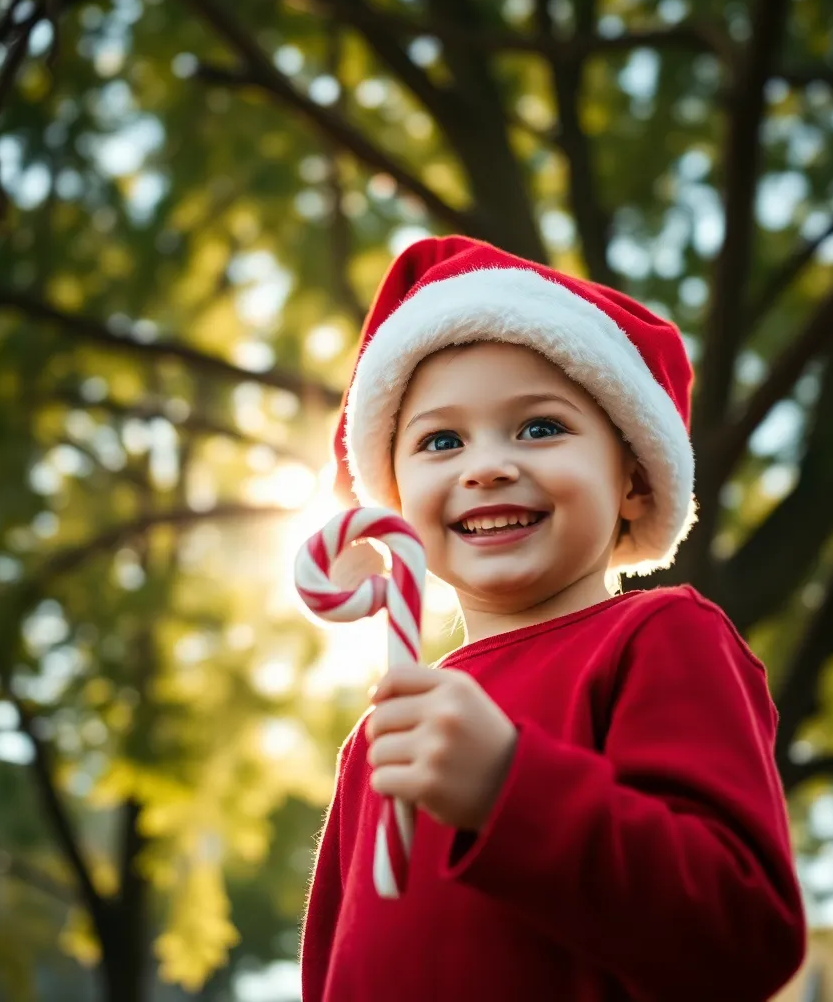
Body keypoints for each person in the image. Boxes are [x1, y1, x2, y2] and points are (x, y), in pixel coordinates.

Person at [300, 234, 807, 1002]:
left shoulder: (660, 638)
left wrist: (508, 789)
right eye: (441, 440)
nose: (487, 465)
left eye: (539, 427)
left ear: (634, 480)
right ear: (392, 502)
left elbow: (743, 934)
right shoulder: (380, 740)